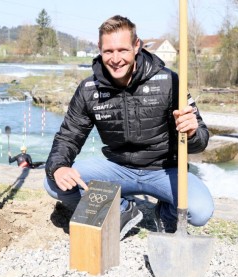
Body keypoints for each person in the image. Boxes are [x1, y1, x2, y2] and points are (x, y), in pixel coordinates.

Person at [44, 15, 214, 240]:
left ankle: (165, 215)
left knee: (200, 211)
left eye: (122, 50)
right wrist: (59, 166)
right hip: (116, 168)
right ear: (99, 49)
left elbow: (201, 140)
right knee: (54, 182)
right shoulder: (88, 90)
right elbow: (68, 137)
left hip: (164, 170)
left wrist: (192, 132)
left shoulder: (170, 82)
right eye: (108, 51)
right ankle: (122, 209)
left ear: (137, 46)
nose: (116, 59)